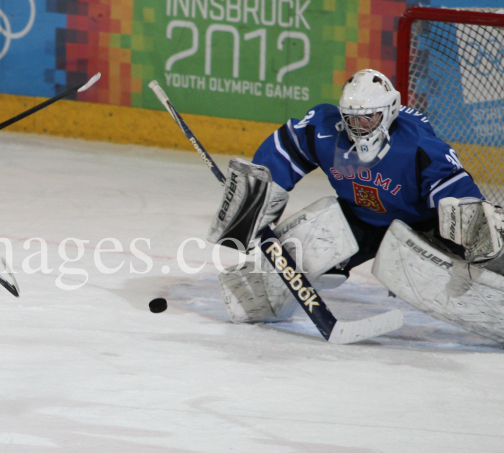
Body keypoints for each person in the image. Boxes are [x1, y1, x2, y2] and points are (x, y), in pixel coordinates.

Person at [208, 68, 504, 336]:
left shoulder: (417, 145)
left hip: (420, 225)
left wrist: (474, 231)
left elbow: (456, 193)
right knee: (296, 257)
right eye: (352, 118)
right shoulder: (325, 129)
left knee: (472, 272)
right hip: (358, 219)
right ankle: (257, 299)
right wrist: (256, 197)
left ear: (388, 112)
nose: (359, 126)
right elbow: (285, 148)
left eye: (368, 118)